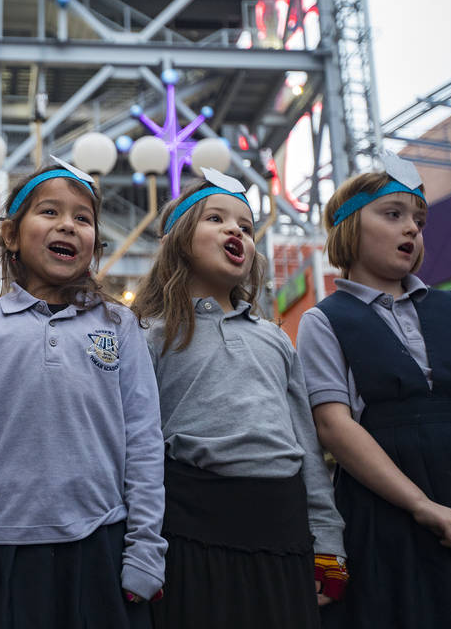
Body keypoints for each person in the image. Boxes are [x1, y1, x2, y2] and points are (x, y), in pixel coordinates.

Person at [0, 159, 166, 629]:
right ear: (10, 236)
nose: (68, 224)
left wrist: (145, 548)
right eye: (49, 212)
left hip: (103, 542)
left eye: (83, 218)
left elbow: (144, 440)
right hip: (1, 549)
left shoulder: (119, 325)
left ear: (94, 244)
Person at [296, 154, 451, 629]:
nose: (412, 229)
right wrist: (423, 506)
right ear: (348, 230)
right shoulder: (324, 319)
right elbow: (334, 425)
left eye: (419, 220)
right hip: (389, 515)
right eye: (393, 214)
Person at [130, 169, 346, 629]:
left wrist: (327, 540)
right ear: (177, 241)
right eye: (216, 219)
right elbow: (136, 446)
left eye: (246, 227)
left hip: (282, 530)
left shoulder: (275, 339)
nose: (236, 231)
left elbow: (306, 446)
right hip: (192, 530)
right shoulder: (148, 335)